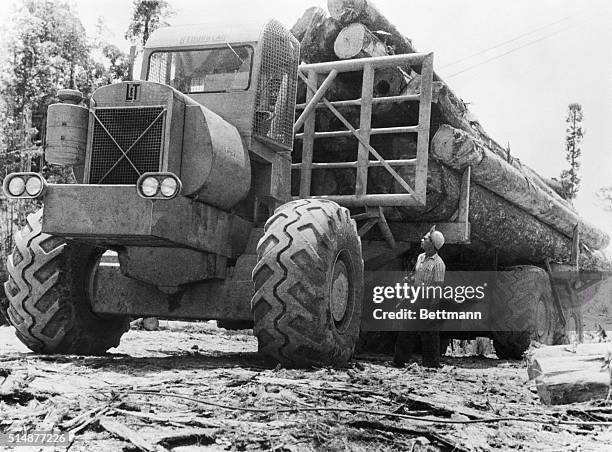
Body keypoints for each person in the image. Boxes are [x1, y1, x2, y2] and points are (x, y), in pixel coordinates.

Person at [393, 226, 446, 368]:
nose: (422, 239)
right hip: (416, 297)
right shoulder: (420, 258)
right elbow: (416, 276)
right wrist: (409, 280)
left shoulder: (439, 264)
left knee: (429, 333)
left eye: (426, 238)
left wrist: (432, 310)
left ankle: (431, 364)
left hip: (429, 299)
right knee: (406, 329)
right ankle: (399, 361)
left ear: (433, 245)